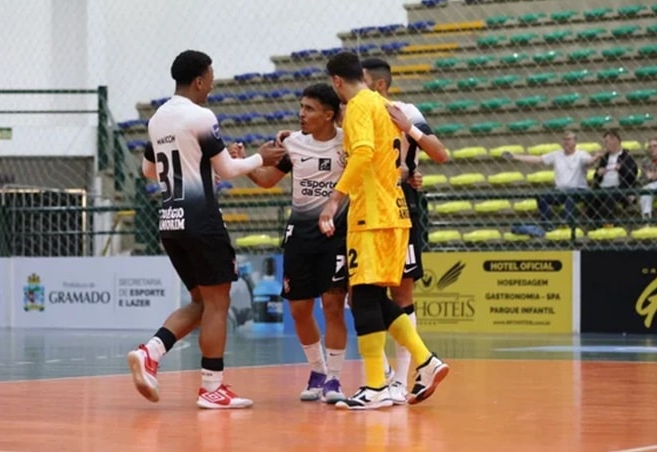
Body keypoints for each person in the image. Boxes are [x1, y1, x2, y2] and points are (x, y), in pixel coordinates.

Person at [126, 50, 285, 409]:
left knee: (201, 302)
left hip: (170, 222)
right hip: (202, 221)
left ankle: (151, 352)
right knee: (218, 302)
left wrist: (199, 164)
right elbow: (228, 171)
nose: (212, 85)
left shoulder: (157, 119)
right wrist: (262, 158)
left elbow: (150, 172)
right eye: (210, 78)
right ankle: (212, 387)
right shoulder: (201, 116)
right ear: (199, 80)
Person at [320, 51, 449, 410]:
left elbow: (361, 154)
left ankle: (376, 385)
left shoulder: (360, 105)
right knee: (376, 298)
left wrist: (334, 200)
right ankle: (426, 360)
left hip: (371, 215)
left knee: (362, 297)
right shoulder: (385, 105)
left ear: (337, 82)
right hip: (395, 211)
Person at [237, 83, 349, 403]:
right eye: (301, 107)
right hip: (300, 235)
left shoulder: (348, 143)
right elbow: (268, 180)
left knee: (333, 307)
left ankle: (335, 380)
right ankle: (317, 369)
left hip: (335, 234)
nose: (301, 114)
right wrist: (245, 164)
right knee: (299, 309)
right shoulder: (294, 145)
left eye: (309, 108)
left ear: (329, 115)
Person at [360, 57, 448, 404]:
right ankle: (381, 375)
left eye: (361, 80)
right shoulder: (357, 111)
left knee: (401, 291)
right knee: (363, 291)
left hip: (401, 205)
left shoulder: (405, 110)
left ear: (380, 85)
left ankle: (401, 378)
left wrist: (407, 129)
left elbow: (439, 153)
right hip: (365, 204)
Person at [502, 132, 598, 230]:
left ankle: (565, 225)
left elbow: (588, 161)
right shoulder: (556, 154)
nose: (566, 142)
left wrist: (595, 158)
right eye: (564, 139)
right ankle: (547, 224)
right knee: (542, 197)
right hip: (560, 191)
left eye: (569, 139)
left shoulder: (581, 154)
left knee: (571, 197)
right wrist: (515, 156)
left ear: (575, 142)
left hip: (578, 190)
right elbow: (538, 159)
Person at [588, 129, 639, 227]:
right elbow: (596, 176)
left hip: (618, 188)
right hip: (602, 187)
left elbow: (632, 175)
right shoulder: (605, 157)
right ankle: (597, 223)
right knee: (589, 197)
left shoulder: (626, 157)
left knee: (611, 195)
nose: (605, 144)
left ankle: (604, 223)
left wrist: (621, 169)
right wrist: (599, 173)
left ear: (615, 141)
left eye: (606, 142)